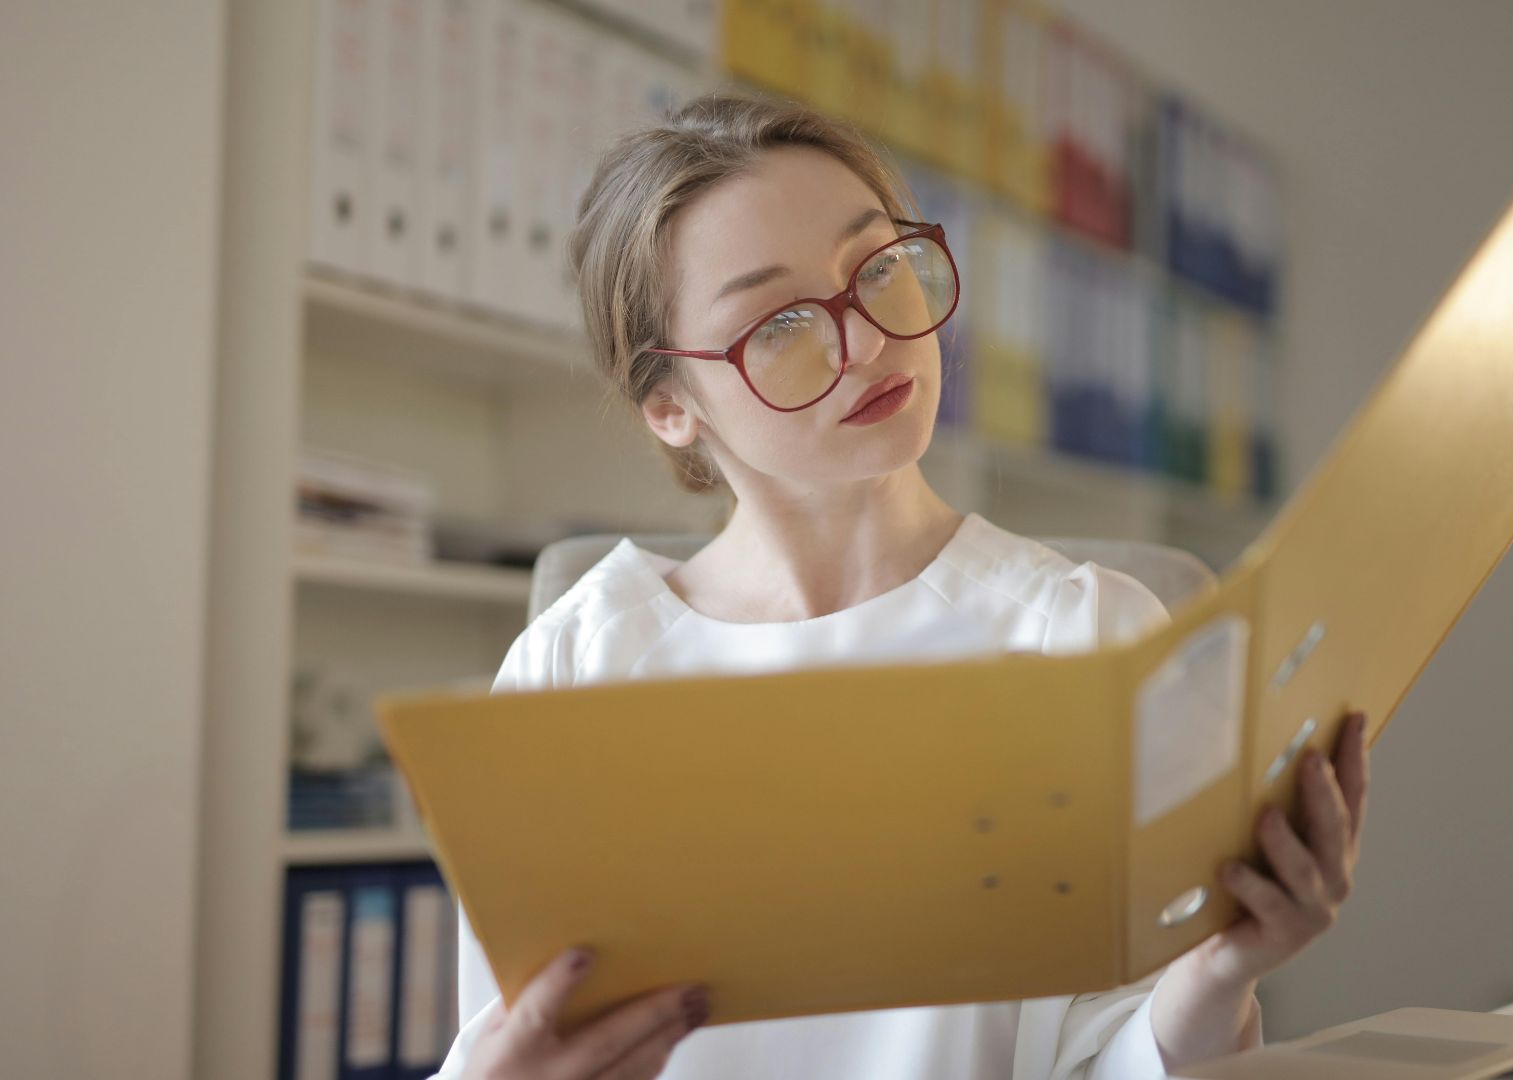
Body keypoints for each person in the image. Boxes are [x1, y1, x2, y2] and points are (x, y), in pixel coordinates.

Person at [436, 92, 1371, 1080]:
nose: (865, 340)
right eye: (780, 320)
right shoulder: (575, 663)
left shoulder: (1088, 635)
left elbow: (1114, 1060)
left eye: (878, 269)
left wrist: (1223, 975)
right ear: (670, 404)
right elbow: (504, 1044)